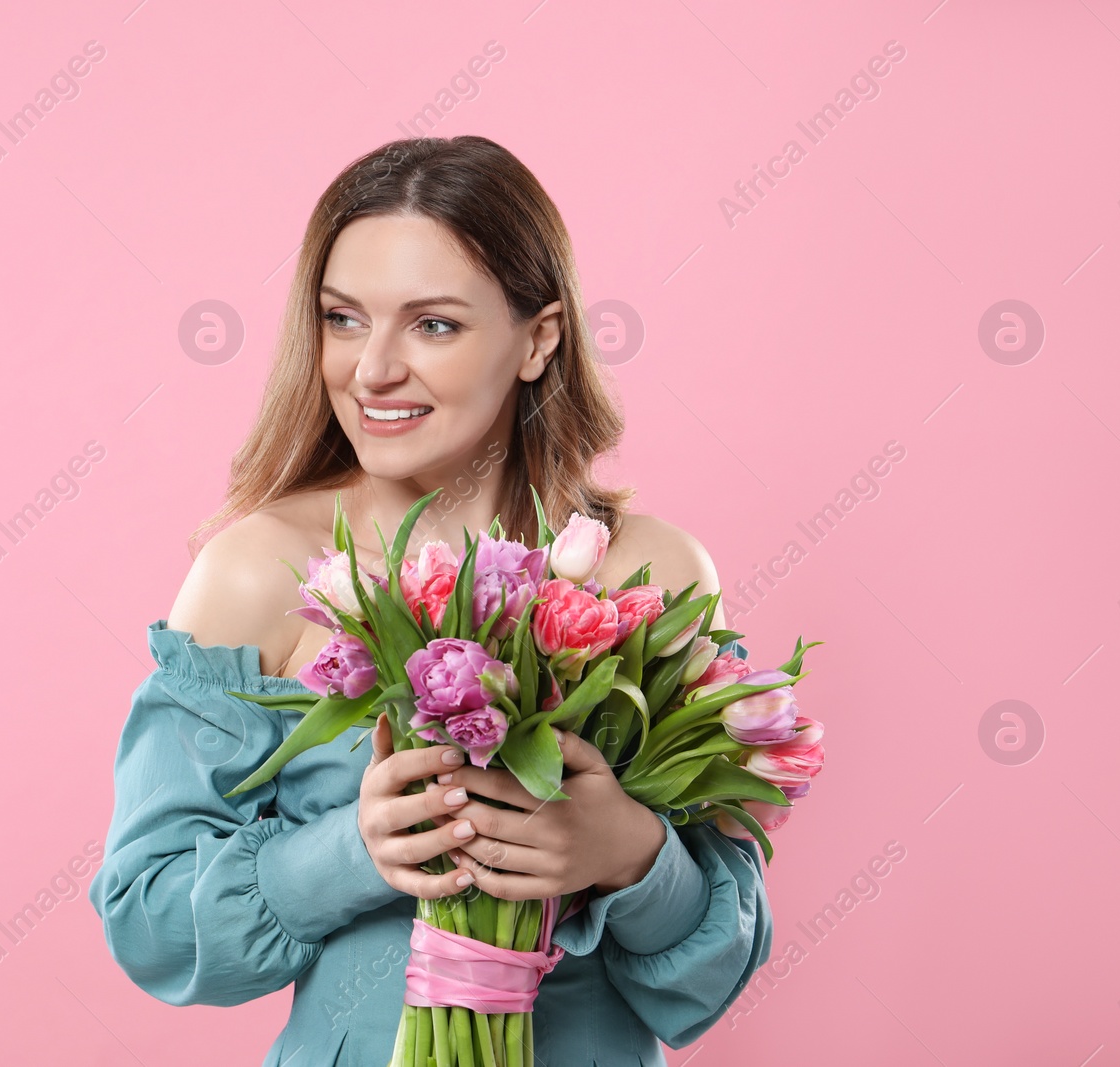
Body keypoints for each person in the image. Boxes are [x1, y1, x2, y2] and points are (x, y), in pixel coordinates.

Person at [88, 135, 772, 1066]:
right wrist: (354, 851)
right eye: (342, 318)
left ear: (541, 338)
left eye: (433, 324)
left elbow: (708, 979)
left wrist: (632, 856)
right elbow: (148, 922)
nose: (371, 370)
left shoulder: (647, 575)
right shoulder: (261, 572)